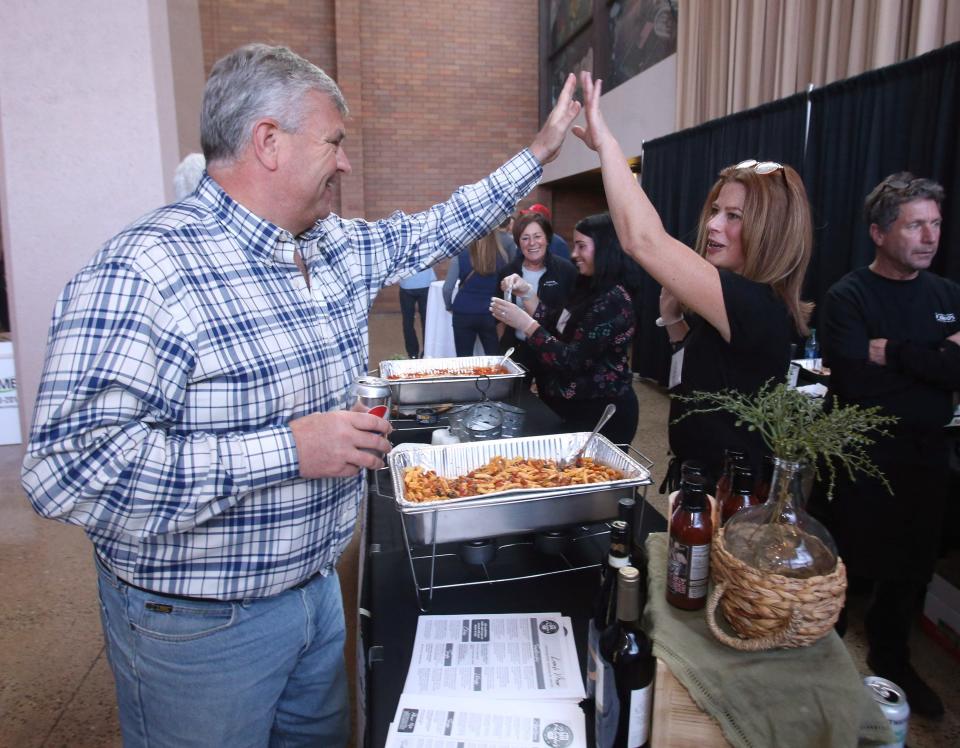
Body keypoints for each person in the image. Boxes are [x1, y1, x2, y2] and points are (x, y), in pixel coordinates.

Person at [20, 43, 581, 747]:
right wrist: (288, 450)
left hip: (317, 593)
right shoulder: (145, 271)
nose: (345, 162)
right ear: (268, 143)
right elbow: (66, 472)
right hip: (201, 627)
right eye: (335, 142)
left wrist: (541, 148)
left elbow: (439, 224)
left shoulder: (329, 246)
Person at [570, 71, 813, 486]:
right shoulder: (733, 303)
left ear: (770, 230)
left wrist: (607, 146)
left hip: (730, 492)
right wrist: (677, 324)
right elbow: (712, 376)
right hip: (699, 478)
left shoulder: (754, 304)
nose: (713, 226)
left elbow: (641, 240)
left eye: (733, 216)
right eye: (716, 211)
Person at [817, 173, 959, 718]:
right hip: (856, 459)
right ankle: (821, 661)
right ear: (879, 232)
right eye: (915, 224)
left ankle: (893, 658)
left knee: (909, 571)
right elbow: (856, 383)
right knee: (837, 567)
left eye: (936, 224)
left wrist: (896, 352)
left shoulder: (949, 296)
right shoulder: (848, 296)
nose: (929, 236)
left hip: (923, 459)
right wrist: (935, 361)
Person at [490, 213, 641, 444]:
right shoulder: (587, 285)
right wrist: (528, 293)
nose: (574, 254)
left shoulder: (613, 299)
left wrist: (525, 324)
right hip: (569, 407)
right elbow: (555, 322)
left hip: (599, 410)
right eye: (574, 246)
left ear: (604, 248)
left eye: (581, 247)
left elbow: (571, 359)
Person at [497, 212, 577, 386]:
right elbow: (500, 318)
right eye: (525, 238)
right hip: (518, 348)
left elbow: (572, 317)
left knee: (551, 403)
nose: (532, 243)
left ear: (547, 239)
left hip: (552, 350)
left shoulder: (566, 271)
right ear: (518, 242)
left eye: (537, 236)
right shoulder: (508, 272)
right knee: (515, 398)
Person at [442, 232, 509, 356]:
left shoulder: (459, 256)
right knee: (493, 358)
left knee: (463, 360)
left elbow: (447, 288)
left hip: (463, 311)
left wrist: (449, 306)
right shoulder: (502, 257)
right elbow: (504, 289)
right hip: (489, 312)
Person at [398, 266, 435, 358]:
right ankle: (427, 351)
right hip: (426, 282)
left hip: (406, 282)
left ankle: (412, 353)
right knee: (427, 321)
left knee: (408, 322)